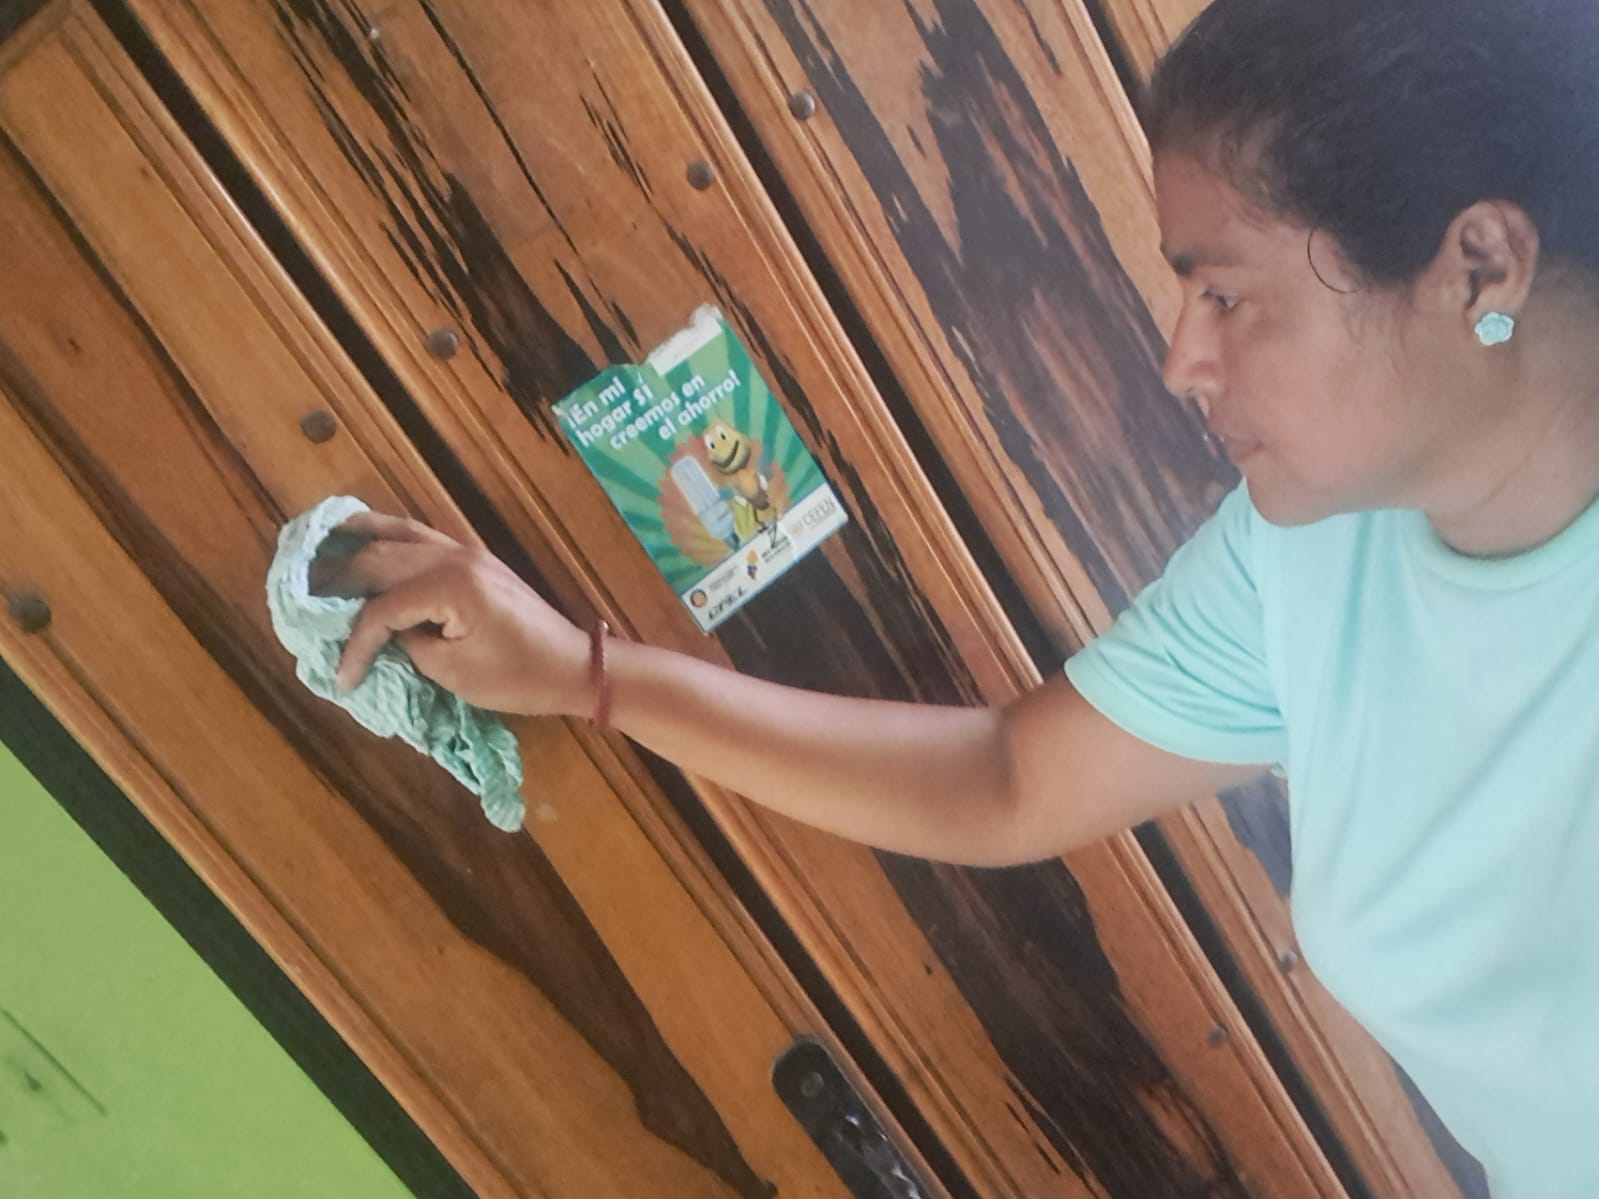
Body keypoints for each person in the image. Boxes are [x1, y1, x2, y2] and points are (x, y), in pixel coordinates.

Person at [323, 0, 1599, 1193]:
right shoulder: (1313, 554)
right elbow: (1011, 777)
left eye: (1224, 292)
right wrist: (585, 673)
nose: (1182, 358)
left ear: (1480, 267)